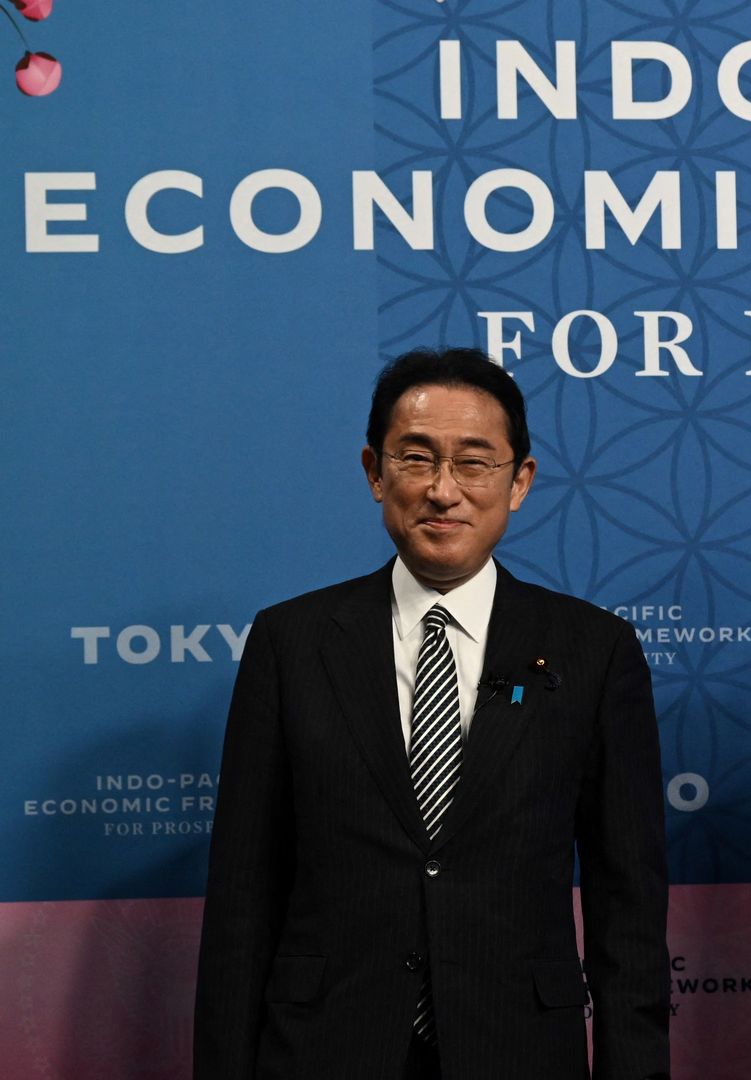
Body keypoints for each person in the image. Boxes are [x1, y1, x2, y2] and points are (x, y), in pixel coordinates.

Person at [194, 347, 669, 1080]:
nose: (444, 491)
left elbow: (628, 902)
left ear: (520, 481)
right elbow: (242, 895)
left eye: (474, 463)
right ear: (374, 472)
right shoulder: (292, 643)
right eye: (417, 459)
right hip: (326, 1048)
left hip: (519, 1051)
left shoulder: (593, 650)